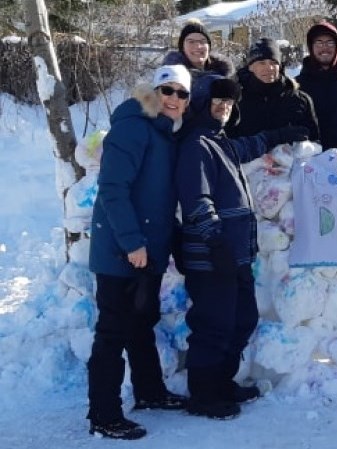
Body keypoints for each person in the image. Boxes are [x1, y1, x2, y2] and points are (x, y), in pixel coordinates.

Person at [176, 77, 308, 420]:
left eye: (229, 103)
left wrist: (280, 135)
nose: (224, 107)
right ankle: (204, 393)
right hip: (212, 255)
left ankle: (222, 383)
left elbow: (250, 145)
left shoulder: (219, 142)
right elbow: (196, 199)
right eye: (217, 101)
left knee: (243, 318)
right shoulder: (196, 145)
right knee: (213, 324)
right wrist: (215, 240)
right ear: (203, 102)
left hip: (234, 255)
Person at [86, 65, 192, 440]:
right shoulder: (133, 127)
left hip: (146, 252)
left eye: (183, 94)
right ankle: (104, 414)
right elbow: (113, 189)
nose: (174, 99)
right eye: (168, 90)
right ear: (153, 92)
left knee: (140, 323)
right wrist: (132, 243)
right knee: (112, 332)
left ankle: (149, 393)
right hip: (121, 250)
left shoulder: (163, 135)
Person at [226, 37, 320, 141]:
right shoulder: (236, 101)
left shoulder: (299, 100)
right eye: (262, 63)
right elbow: (229, 144)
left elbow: (315, 142)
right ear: (250, 67)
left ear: (279, 66)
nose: (269, 68)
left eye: (273, 62)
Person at [295, 21, 337, 149]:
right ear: (311, 47)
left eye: (330, 43)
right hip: (309, 159)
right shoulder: (298, 85)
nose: (324, 48)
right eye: (319, 43)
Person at [164, 19, 234, 110]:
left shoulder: (226, 75)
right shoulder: (169, 79)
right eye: (191, 41)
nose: (198, 46)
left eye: (202, 41)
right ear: (182, 47)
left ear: (209, 46)